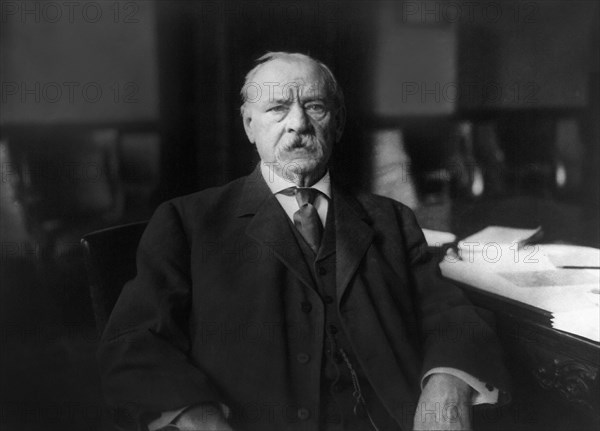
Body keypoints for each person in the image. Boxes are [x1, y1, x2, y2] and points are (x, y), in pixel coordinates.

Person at [99, 52, 510, 431]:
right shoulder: (188, 221)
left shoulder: (391, 220)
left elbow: (451, 317)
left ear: (338, 122)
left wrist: (446, 388)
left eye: (314, 106)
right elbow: (135, 342)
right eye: (277, 108)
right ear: (249, 126)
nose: (298, 123)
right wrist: (198, 418)